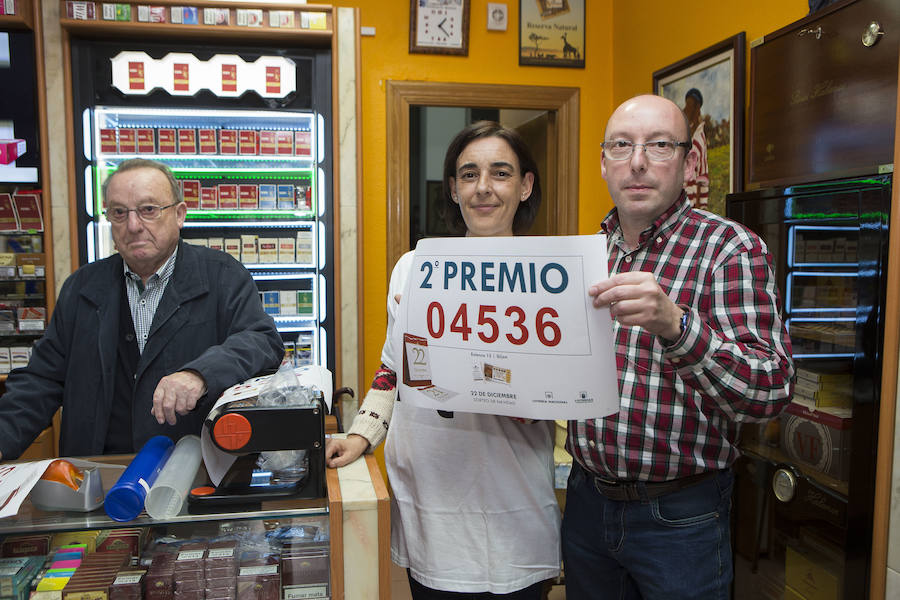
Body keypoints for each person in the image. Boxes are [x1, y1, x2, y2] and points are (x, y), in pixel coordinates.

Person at [562, 95, 794, 599]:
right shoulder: (583, 254)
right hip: (585, 502)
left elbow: (770, 390)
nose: (638, 161)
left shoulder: (730, 249)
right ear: (604, 162)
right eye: (622, 146)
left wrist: (675, 324)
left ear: (689, 162)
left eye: (659, 145)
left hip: (681, 516)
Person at [325, 122, 560, 598]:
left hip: (514, 506)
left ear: (525, 185)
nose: (484, 188)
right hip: (430, 505)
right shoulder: (414, 267)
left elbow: (563, 389)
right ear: (453, 189)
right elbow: (394, 368)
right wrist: (362, 434)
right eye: (469, 174)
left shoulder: (551, 275)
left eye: (501, 173)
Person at [0, 158, 283, 460]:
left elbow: (262, 341)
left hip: (194, 470)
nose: (133, 226)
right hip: (97, 476)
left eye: (148, 210)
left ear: (179, 215)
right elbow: (42, 380)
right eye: (119, 213)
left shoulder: (222, 275)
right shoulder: (82, 287)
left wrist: (200, 374)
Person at [682, 87, 709, 210]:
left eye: (691, 105)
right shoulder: (684, 133)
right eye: (686, 105)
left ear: (696, 108)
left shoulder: (699, 138)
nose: (687, 109)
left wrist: (698, 208)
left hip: (692, 203)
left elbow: (702, 175)